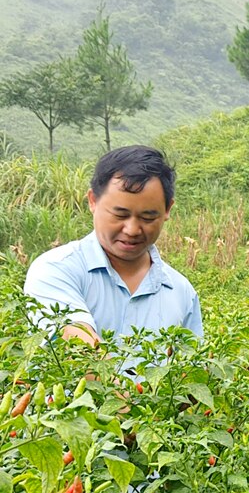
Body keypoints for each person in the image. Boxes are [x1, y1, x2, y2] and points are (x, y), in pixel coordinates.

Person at [24, 145, 202, 345]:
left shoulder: (181, 292)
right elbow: (75, 347)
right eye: (120, 215)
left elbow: (190, 369)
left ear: (168, 210)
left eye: (148, 217)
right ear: (93, 201)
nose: (132, 229)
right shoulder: (56, 270)